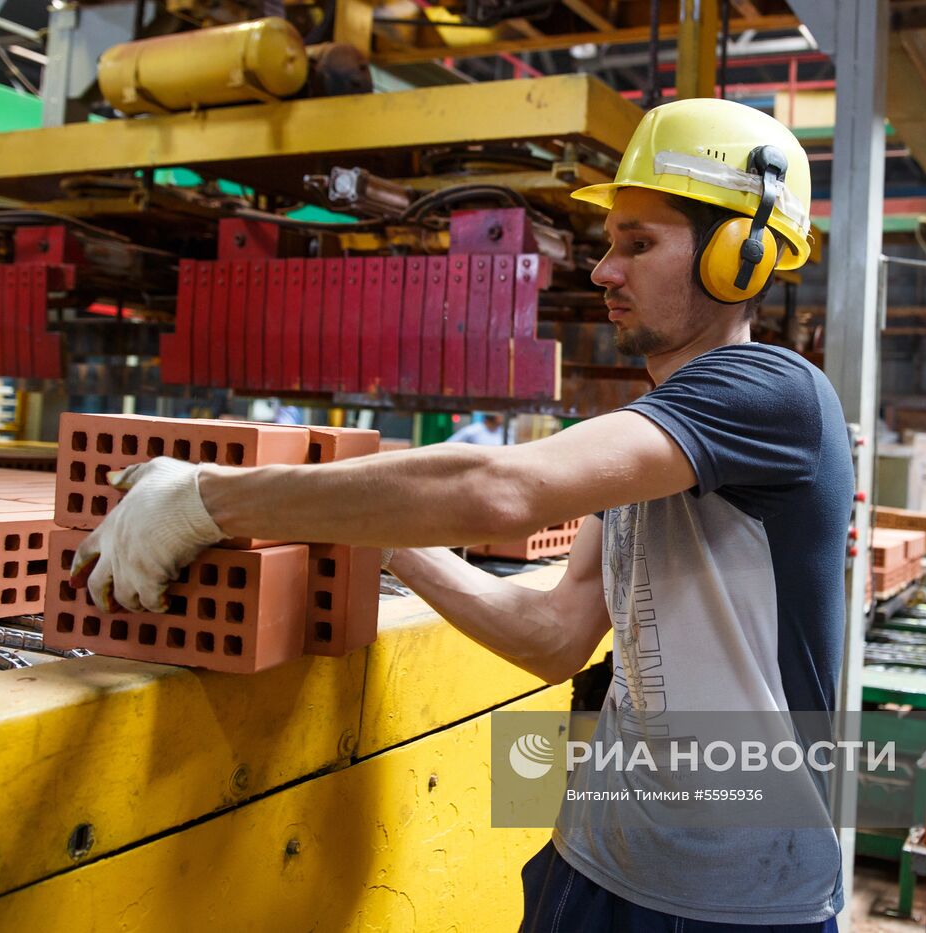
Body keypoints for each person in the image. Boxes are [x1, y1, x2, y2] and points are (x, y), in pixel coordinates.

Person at [70, 98, 851, 930]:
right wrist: (385, 545)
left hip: (733, 901)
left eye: (638, 243)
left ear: (742, 257)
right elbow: (554, 634)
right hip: (595, 863)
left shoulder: (775, 396)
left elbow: (501, 488)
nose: (603, 272)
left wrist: (202, 502)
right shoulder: (656, 439)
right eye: (609, 243)